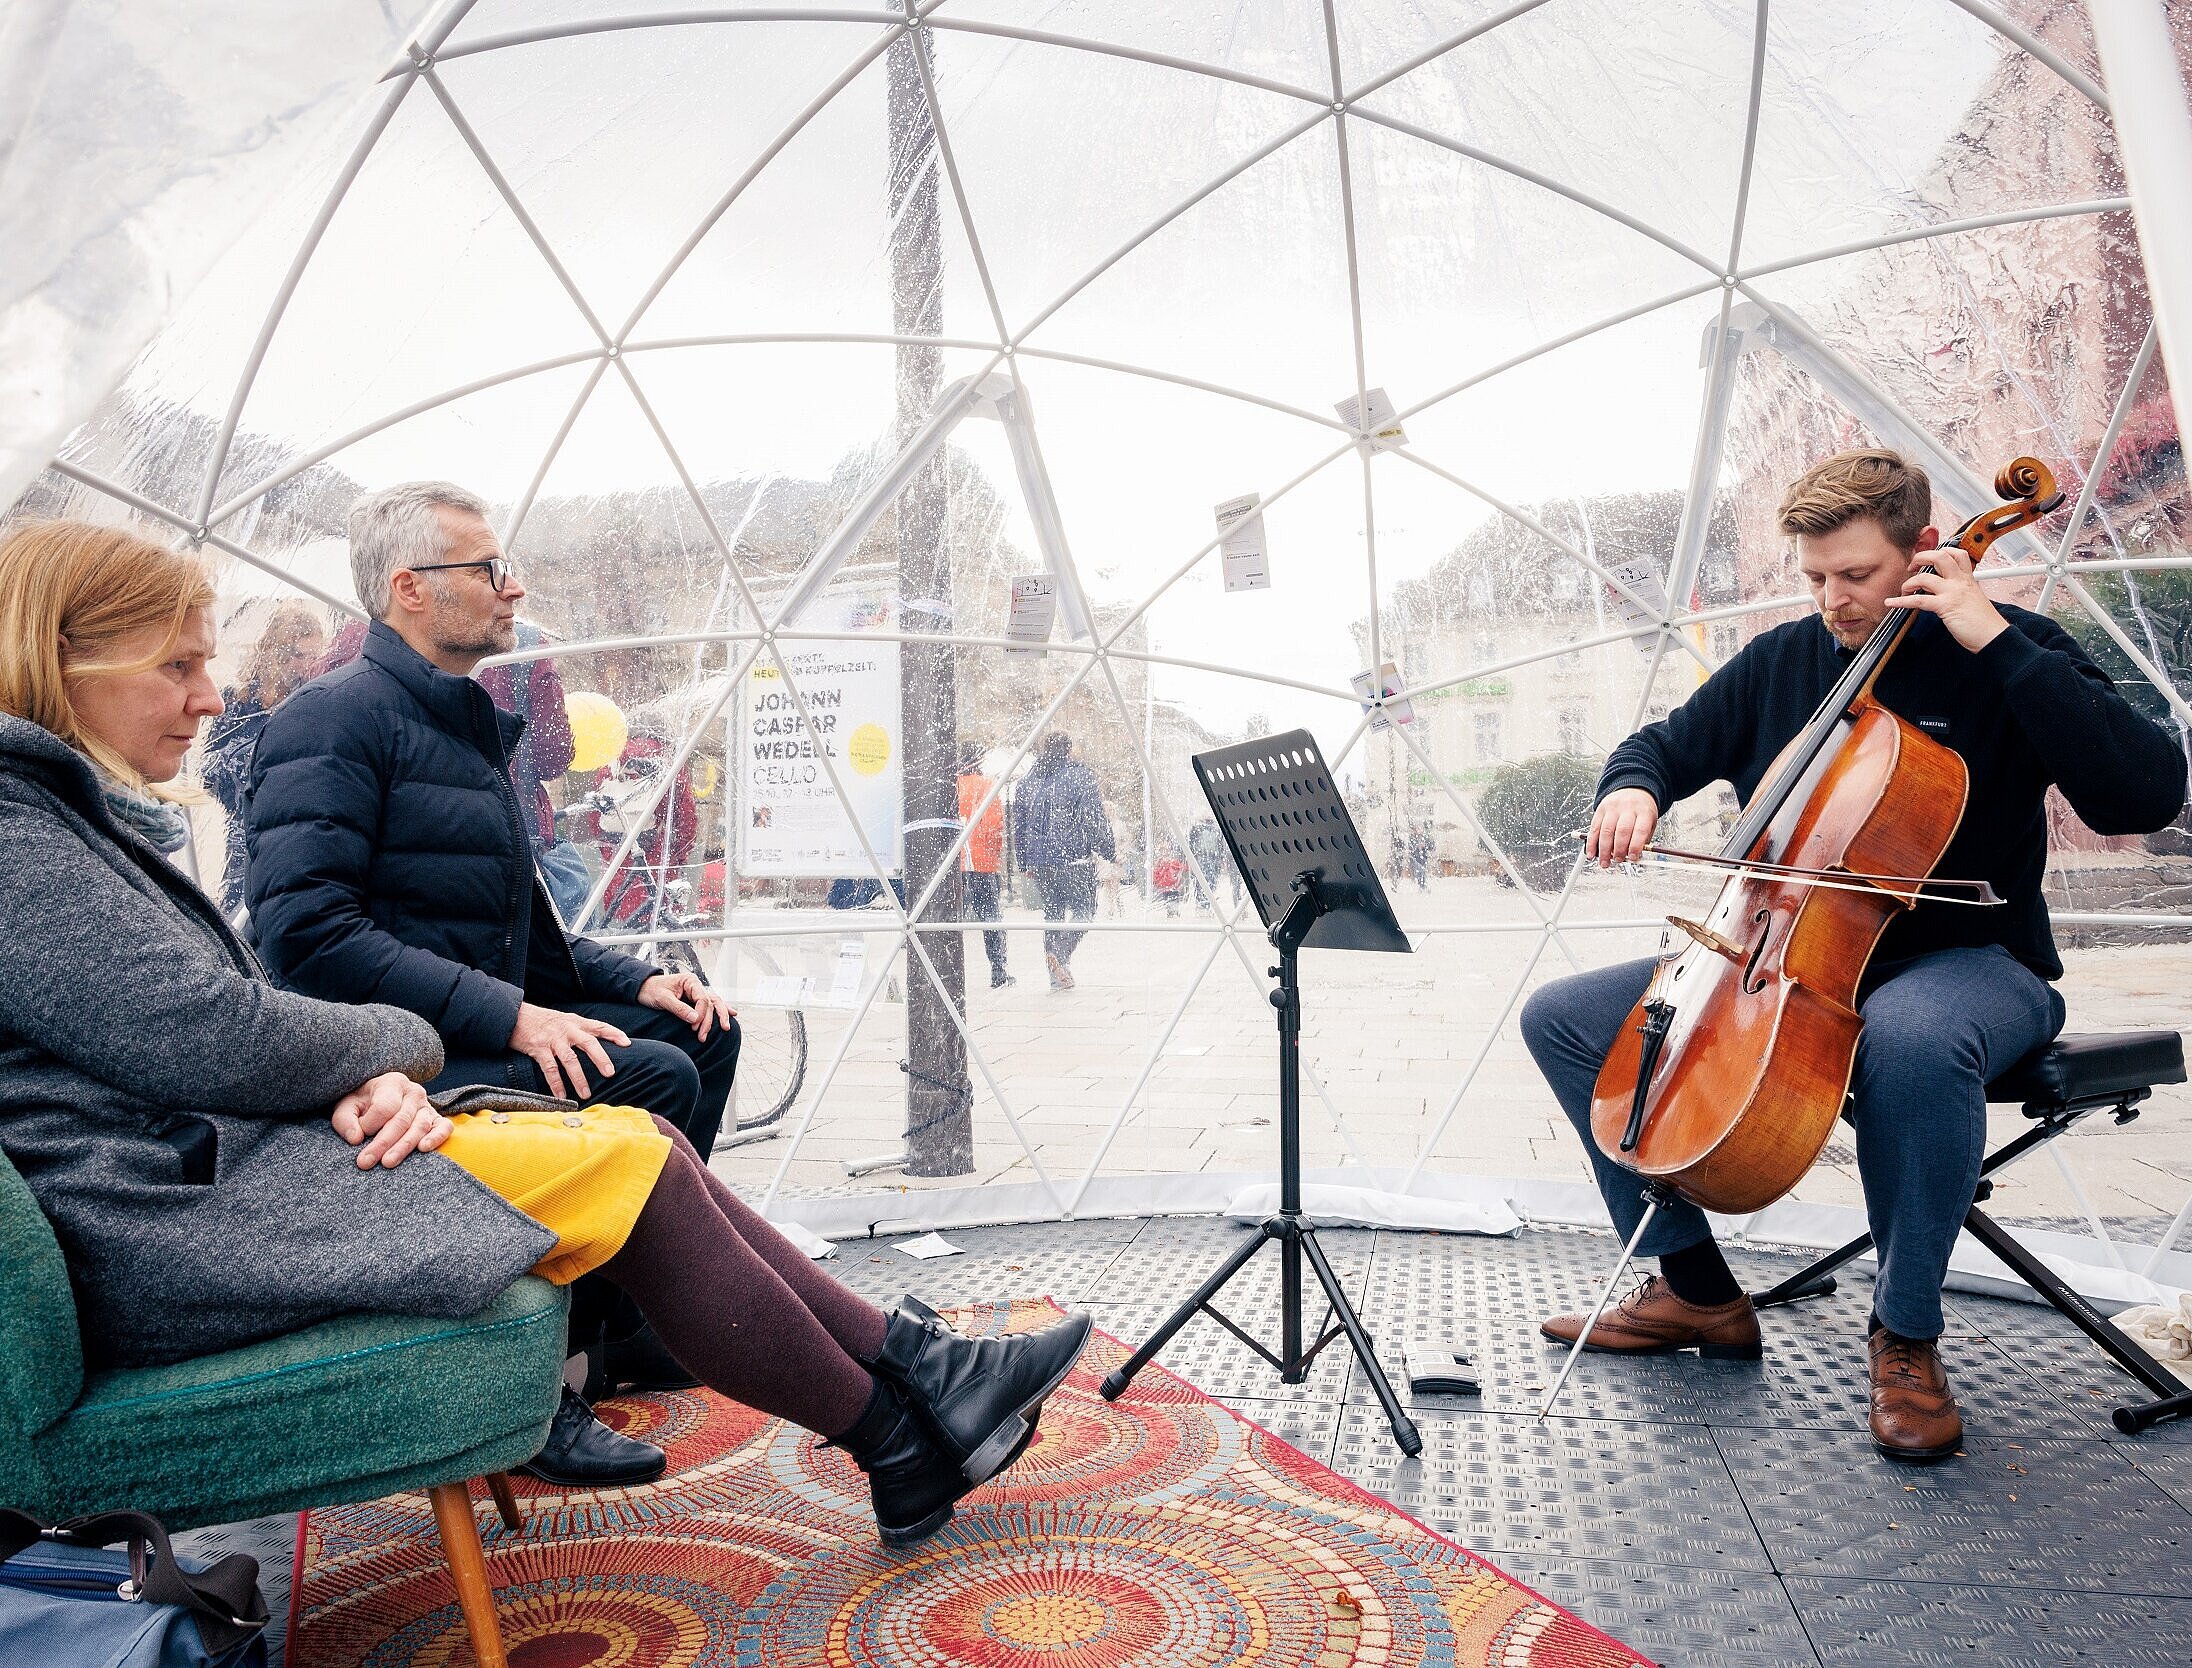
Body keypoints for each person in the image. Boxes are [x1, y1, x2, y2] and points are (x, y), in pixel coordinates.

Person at [0, 518, 1090, 1548]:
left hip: (213, 1165)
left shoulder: (63, 814)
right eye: (177, 668)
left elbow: (501, 930)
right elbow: (220, 1019)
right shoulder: (24, 834)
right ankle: (897, 1433)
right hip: (167, 1221)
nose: (208, 697)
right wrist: (389, 1053)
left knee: (647, 1126)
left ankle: (914, 1386)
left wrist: (359, 1074)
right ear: (61, 662)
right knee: (635, 1150)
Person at [1520, 450, 2187, 1463]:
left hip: (1973, 960)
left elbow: (2140, 794)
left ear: (1923, 551)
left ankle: (1904, 1336)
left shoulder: (2012, 650)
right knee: (1566, 1018)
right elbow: (1661, 743)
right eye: (1814, 577)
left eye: (1855, 576)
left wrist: (1990, 637)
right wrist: (1632, 786)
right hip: (1784, 961)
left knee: (1907, 1041)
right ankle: (1696, 1295)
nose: (1832, 601)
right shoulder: (1785, 660)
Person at [244, 482, 741, 1486]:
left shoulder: (455, 715)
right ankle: (535, 1380)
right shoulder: (334, 721)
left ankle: (619, 1326)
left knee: (700, 1036)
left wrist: (630, 979)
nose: (513, 587)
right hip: (391, 1054)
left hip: (463, 1011)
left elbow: (512, 920)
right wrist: (506, 1016)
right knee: (648, 1083)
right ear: (409, 590)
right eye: (486, 570)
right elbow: (305, 932)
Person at [200, 601, 325, 913]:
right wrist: (254, 766)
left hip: (295, 835)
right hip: (245, 836)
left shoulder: (313, 701)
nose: (304, 666)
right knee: (238, 917)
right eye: (297, 654)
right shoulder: (235, 701)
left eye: (313, 656)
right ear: (275, 649)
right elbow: (208, 772)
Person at [478, 621, 590, 925]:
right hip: (513, 825)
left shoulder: (364, 632)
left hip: (410, 836)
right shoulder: (522, 644)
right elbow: (553, 753)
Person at [1010, 732, 1114, 990]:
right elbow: (1093, 817)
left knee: (1053, 914)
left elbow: (1019, 827)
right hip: (1074, 858)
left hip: (1042, 861)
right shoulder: (1080, 776)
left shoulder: (1026, 783)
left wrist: (1024, 861)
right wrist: (1108, 849)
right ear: (1068, 750)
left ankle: (1056, 974)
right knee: (1085, 911)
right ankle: (1062, 953)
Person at [957, 743, 1013, 988]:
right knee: (990, 917)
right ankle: (998, 970)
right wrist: (994, 856)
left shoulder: (952, 787)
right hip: (982, 864)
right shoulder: (987, 787)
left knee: (949, 918)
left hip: (955, 864)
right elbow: (995, 827)